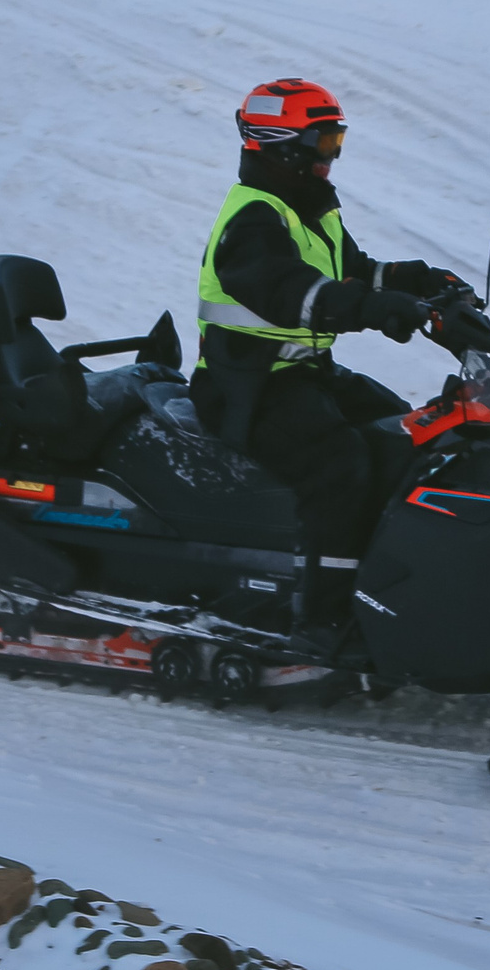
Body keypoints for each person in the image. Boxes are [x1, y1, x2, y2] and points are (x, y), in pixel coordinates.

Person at [191, 78, 467, 641]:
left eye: (336, 141)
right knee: (339, 466)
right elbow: (294, 290)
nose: (331, 156)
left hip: (302, 375)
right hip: (246, 385)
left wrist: (419, 281)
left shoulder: (306, 207)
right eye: (322, 143)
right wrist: (377, 309)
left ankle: (394, 584)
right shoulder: (253, 219)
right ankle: (324, 619)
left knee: (410, 434)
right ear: (280, 145)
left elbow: (354, 271)